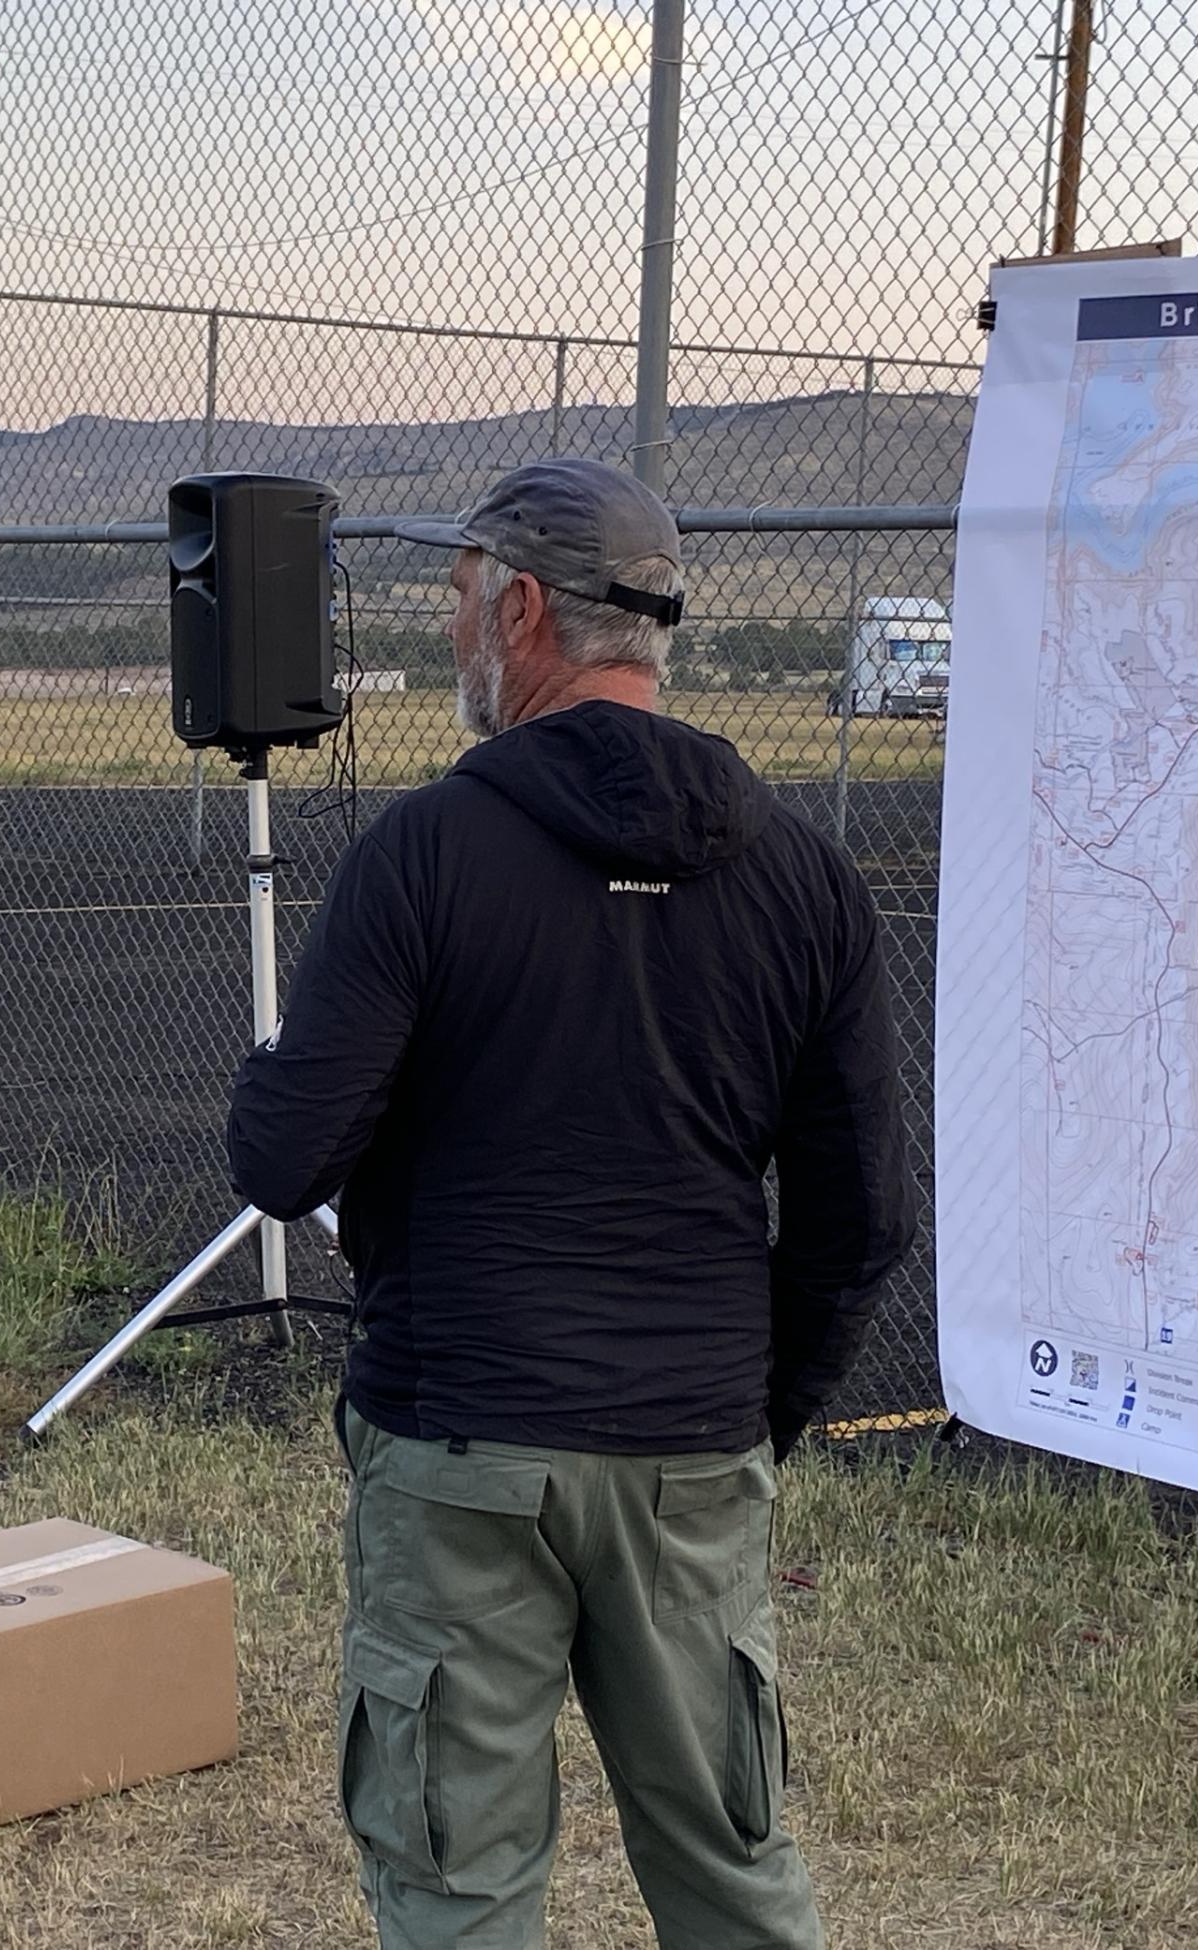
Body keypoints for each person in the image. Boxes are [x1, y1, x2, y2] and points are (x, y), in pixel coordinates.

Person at [226, 459, 914, 1950]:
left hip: (462, 1434)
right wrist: (751, 1405)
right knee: (735, 1872)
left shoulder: (424, 854)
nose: (455, 620)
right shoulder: (806, 876)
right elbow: (865, 1219)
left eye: (462, 593)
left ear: (523, 609)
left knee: (457, 1880)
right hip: (691, 1445)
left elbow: (283, 1158)